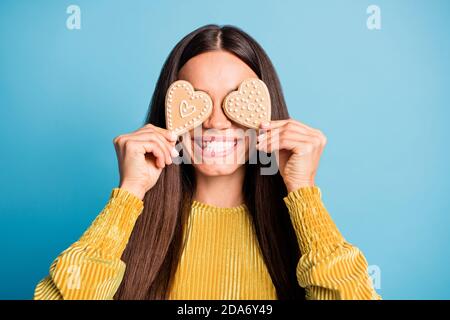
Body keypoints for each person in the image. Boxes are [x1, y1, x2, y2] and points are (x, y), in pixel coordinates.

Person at [34, 24, 380, 300]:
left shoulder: (293, 237)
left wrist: (303, 192)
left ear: (266, 110)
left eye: (234, 101)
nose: (215, 122)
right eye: (196, 101)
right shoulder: (134, 235)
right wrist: (129, 195)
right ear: (169, 113)